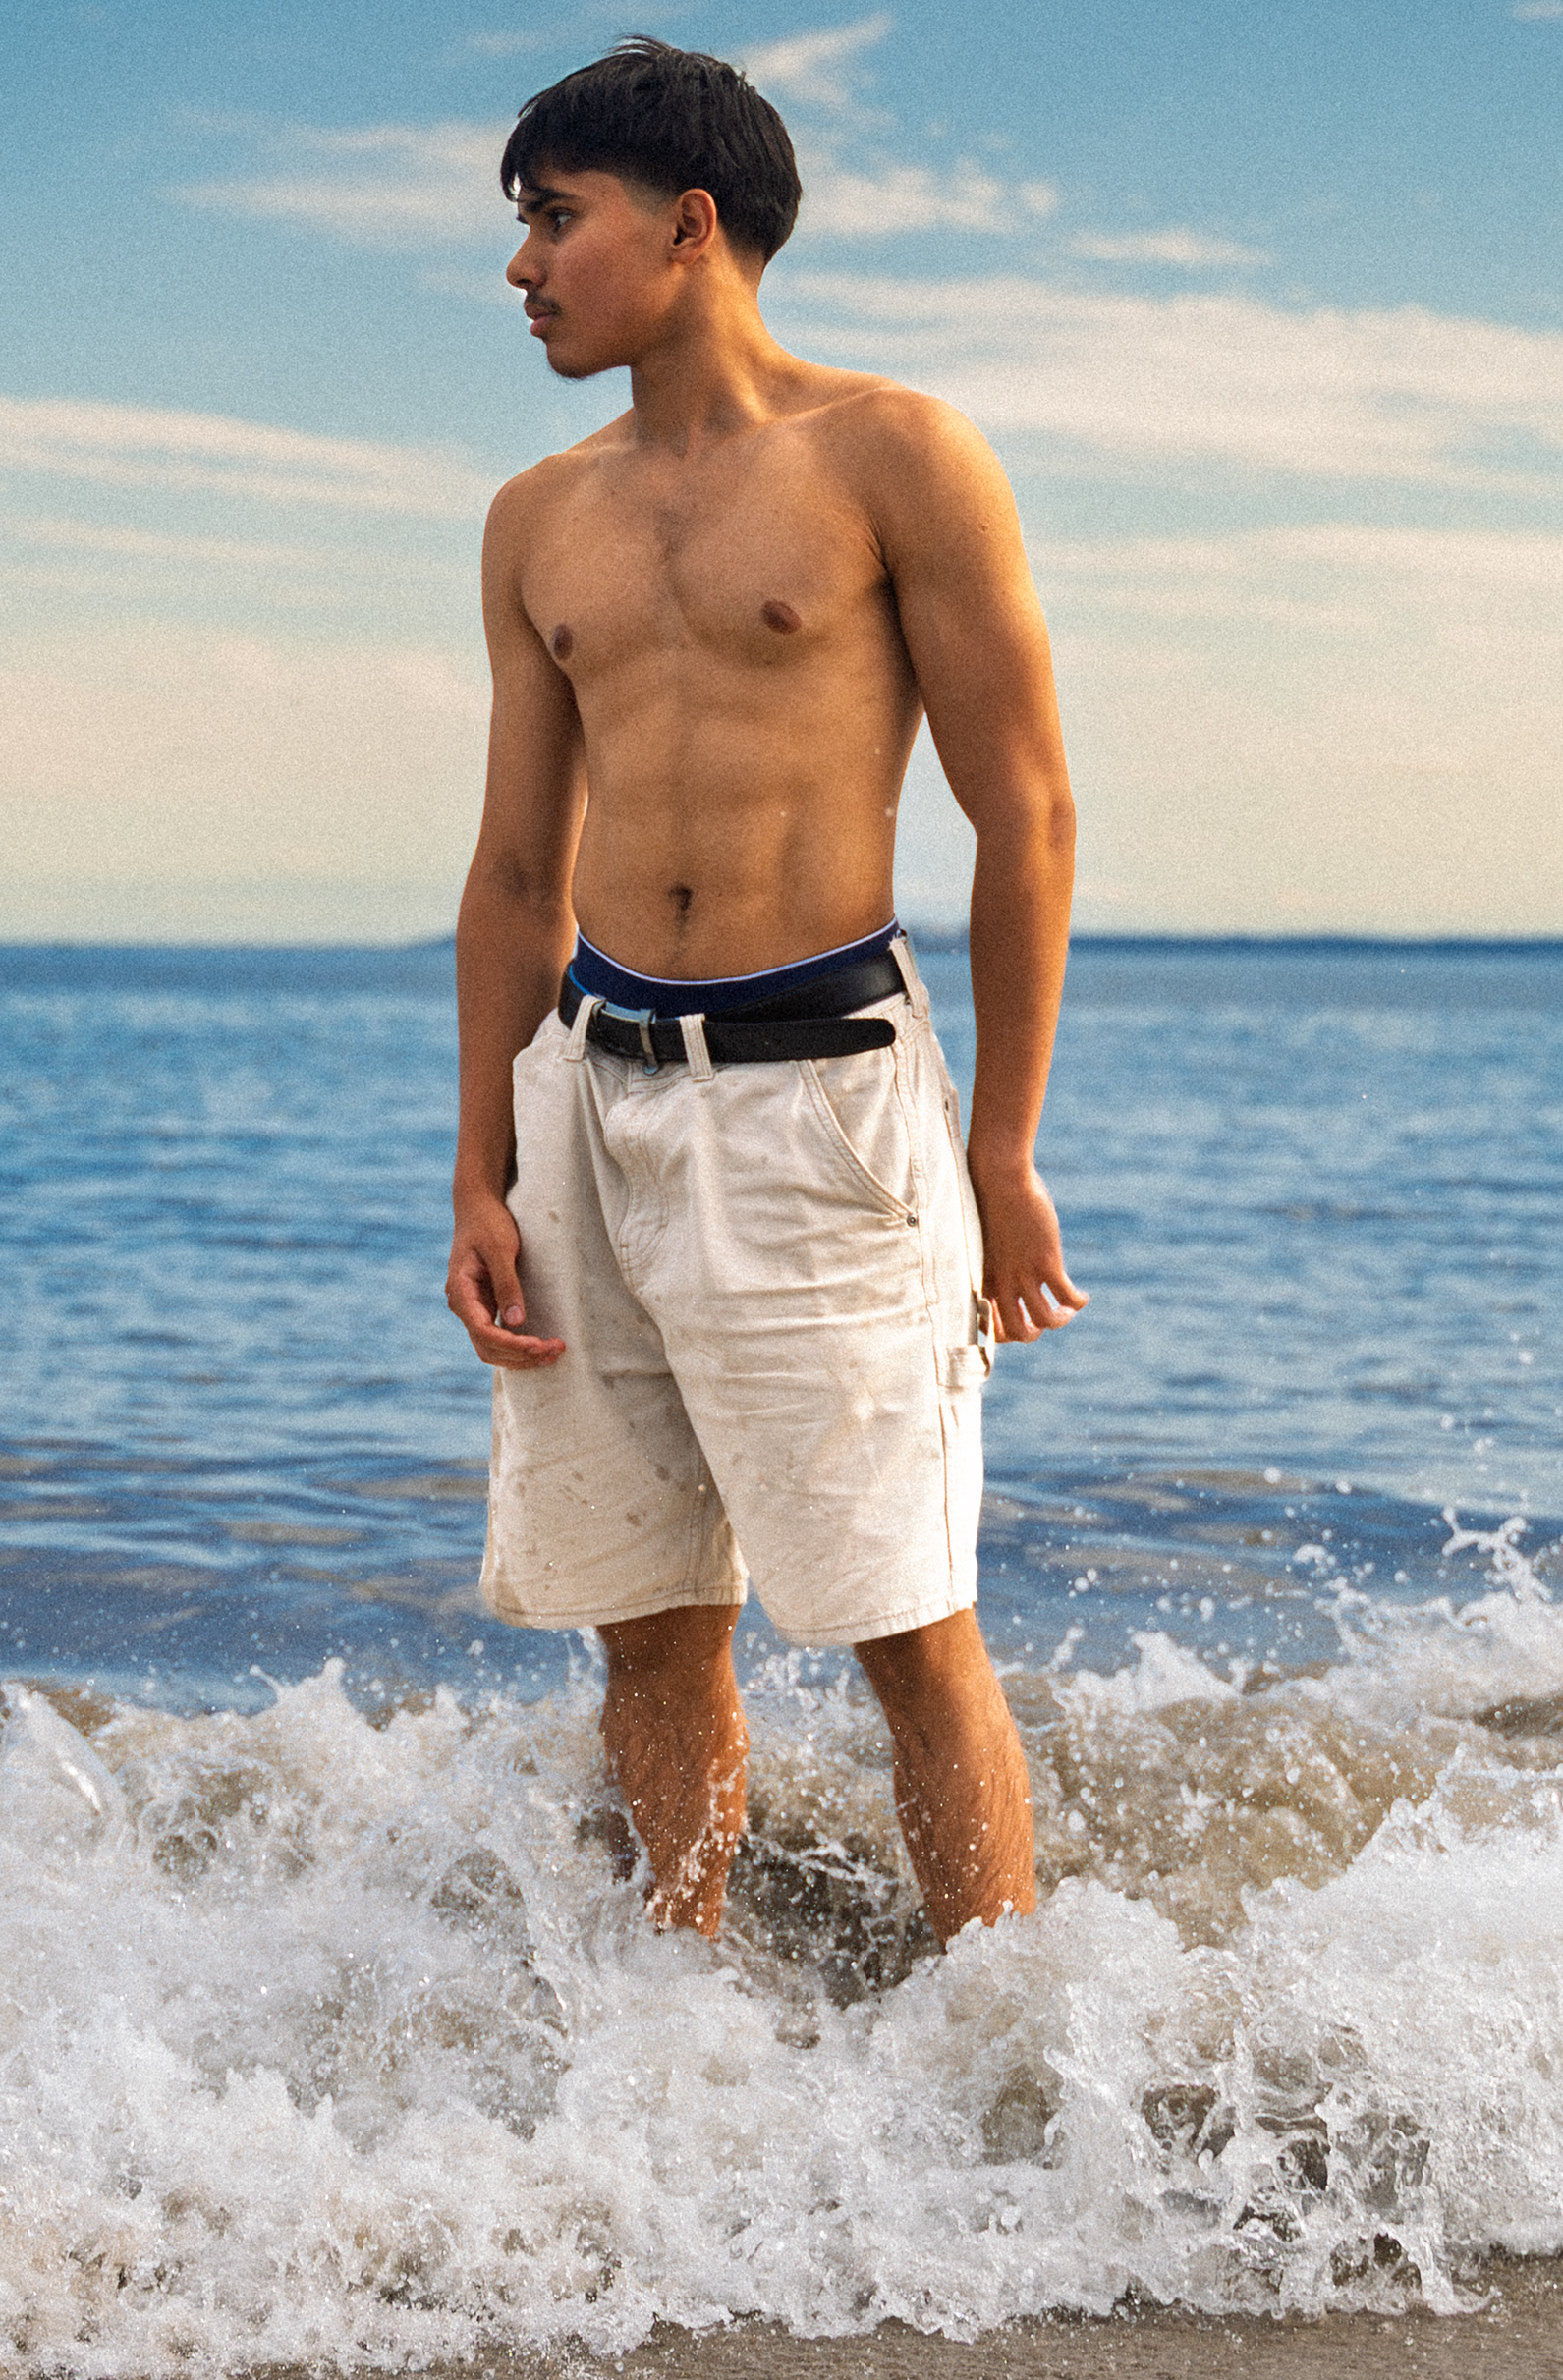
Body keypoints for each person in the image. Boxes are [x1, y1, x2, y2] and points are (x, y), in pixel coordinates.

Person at [444, 39, 1087, 1944]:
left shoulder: (895, 457)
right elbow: (507, 876)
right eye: (524, 229)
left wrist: (1007, 1147)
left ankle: (1012, 2053)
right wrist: (481, 1166)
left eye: (557, 220)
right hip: (598, 1101)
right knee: (642, 1626)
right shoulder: (534, 518)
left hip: (822, 1098)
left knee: (906, 1623)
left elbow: (1028, 811)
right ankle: (683, 2035)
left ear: (689, 224)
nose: (524, 267)